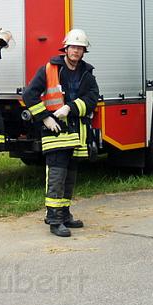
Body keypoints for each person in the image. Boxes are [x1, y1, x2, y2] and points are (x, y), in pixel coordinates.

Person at [22, 29, 99, 238]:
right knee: (56, 175)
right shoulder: (50, 69)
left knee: (70, 176)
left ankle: (64, 214)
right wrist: (44, 117)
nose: (76, 51)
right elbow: (29, 94)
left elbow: (93, 97)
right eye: (73, 47)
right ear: (65, 48)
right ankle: (54, 220)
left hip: (76, 133)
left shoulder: (86, 72)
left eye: (80, 48)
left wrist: (70, 107)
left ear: (84, 51)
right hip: (54, 131)